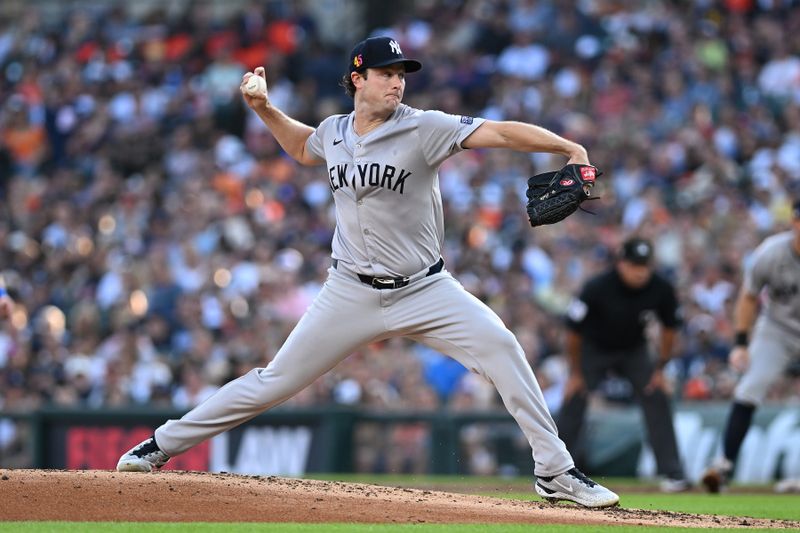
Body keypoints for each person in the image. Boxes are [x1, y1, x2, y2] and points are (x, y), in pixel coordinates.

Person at [116, 36, 619, 508]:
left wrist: (568, 149)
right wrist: (264, 108)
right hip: (349, 291)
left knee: (502, 347)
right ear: (358, 78)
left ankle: (554, 471)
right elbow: (302, 146)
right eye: (385, 73)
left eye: (401, 74)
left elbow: (502, 131)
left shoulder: (425, 127)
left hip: (425, 288)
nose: (397, 82)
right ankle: (160, 445)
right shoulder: (335, 131)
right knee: (273, 380)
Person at [558, 237, 690, 492]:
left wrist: (661, 369)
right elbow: (573, 331)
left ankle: (673, 472)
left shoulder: (660, 287)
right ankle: (557, 470)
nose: (639, 271)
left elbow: (670, 328)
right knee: (575, 398)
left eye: (644, 265)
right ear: (621, 263)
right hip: (594, 348)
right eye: (633, 265)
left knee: (656, 395)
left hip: (633, 349)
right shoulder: (597, 286)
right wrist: (574, 373)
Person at [702, 200, 800, 493]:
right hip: (778, 330)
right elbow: (748, 297)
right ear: (794, 222)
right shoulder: (772, 252)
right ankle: (723, 467)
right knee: (748, 389)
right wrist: (741, 343)